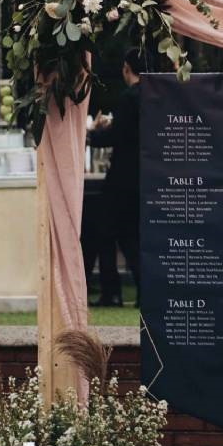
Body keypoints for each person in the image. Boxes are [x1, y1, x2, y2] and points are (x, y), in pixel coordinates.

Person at [86, 47, 143, 303]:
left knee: (105, 231)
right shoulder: (156, 96)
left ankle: (112, 292)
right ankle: (145, 289)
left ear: (126, 68)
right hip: (145, 177)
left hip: (122, 177)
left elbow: (117, 136)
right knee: (132, 235)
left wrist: (90, 135)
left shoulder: (129, 97)